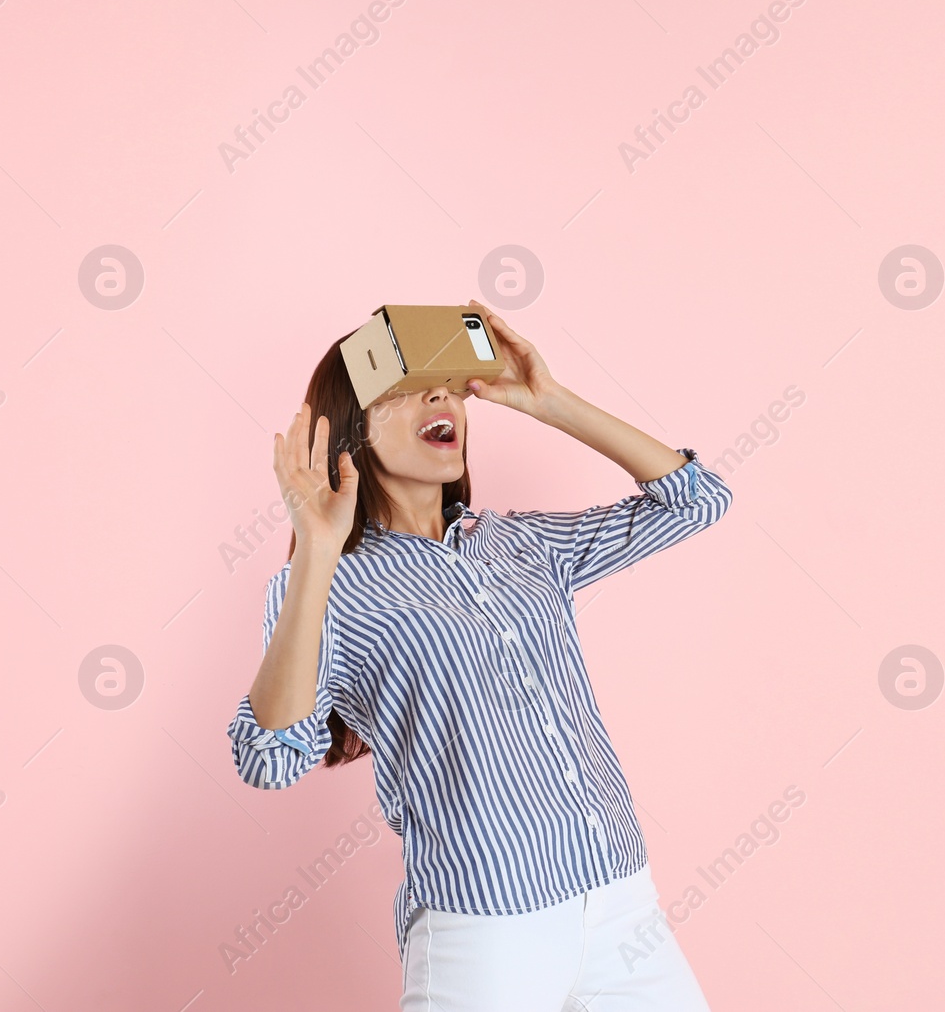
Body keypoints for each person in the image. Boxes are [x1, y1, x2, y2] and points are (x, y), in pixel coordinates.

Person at [225, 311, 732, 1010]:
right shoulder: (328, 585)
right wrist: (316, 547)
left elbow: (697, 501)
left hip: (619, 901)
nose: (441, 400)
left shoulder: (522, 546)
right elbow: (268, 755)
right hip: (488, 925)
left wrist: (552, 401)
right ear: (349, 434)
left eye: (447, 385)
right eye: (405, 389)